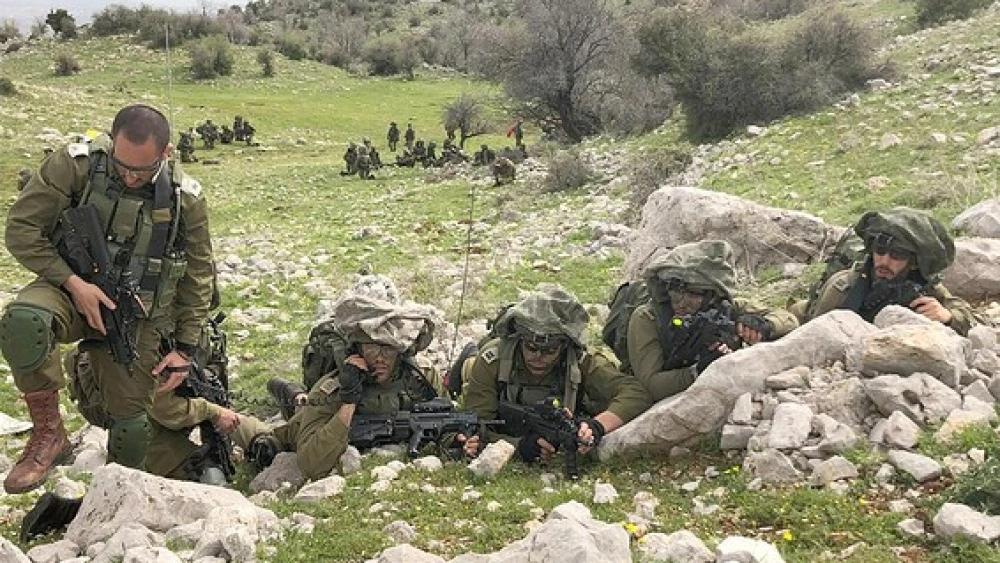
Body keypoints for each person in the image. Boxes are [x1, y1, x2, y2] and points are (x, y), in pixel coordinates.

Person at [0, 104, 215, 494]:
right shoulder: (76, 166)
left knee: (130, 427)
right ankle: (49, 436)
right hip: (70, 291)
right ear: (111, 143)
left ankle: (113, 499)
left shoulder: (187, 200)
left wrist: (185, 349)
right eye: (122, 167)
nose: (131, 178)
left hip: (135, 315)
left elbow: (199, 276)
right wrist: (72, 283)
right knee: (24, 320)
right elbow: (20, 230)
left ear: (165, 154)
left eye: (143, 170)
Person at [244, 295, 447, 479]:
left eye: (388, 349)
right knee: (288, 418)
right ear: (357, 350)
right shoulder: (332, 389)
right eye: (371, 347)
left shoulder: (423, 379)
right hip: (309, 411)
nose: (379, 357)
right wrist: (349, 401)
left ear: (401, 351)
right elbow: (311, 465)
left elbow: (445, 420)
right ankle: (288, 391)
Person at [460, 286, 651, 469]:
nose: (538, 357)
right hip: (484, 385)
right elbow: (477, 426)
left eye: (549, 350)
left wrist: (597, 426)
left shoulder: (581, 362)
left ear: (564, 346)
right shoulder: (493, 360)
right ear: (520, 340)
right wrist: (519, 446)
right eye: (531, 348)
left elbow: (636, 392)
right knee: (469, 367)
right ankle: (467, 356)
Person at [627, 240, 799, 403]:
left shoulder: (726, 308)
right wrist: (699, 370)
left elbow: (789, 319)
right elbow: (652, 385)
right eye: (675, 291)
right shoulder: (647, 317)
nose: (681, 302)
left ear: (713, 295)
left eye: (693, 295)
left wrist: (764, 326)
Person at [795, 207, 977, 335]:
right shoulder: (844, 286)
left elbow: (975, 321)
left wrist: (949, 317)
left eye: (897, 255)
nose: (884, 261)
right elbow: (811, 331)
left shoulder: (919, 286)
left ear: (913, 263)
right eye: (879, 250)